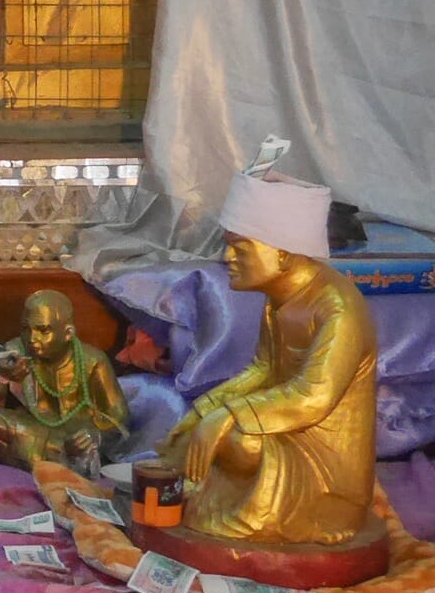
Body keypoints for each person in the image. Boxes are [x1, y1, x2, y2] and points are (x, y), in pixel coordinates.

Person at [162, 167, 378, 546]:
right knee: (189, 436)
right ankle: (208, 500)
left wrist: (228, 416)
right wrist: (207, 408)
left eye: (240, 247)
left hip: (323, 461)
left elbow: (314, 397)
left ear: (283, 254)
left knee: (238, 441)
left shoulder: (337, 308)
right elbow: (263, 369)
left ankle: (269, 513)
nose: (226, 257)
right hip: (285, 428)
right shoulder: (279, 302)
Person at [0, 289, 128, 474]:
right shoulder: (15, 351)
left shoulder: (92, 360)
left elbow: (119, 416)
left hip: (74, 439)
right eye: (25, 329)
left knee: (81, 447)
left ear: (68, 333)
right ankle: (54, 465)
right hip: (35, 434)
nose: (32, 339)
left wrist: (93, 435)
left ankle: (38, 464)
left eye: (43, 330)